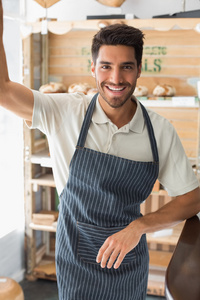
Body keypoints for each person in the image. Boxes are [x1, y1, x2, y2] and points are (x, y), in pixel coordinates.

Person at [0, 1, 200, 299]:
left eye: (126, 67)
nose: (116, 79)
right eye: (106, 66)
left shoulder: (159, 131)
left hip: (129, 263)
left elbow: (192, 198)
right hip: (75, 262)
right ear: (92, 68)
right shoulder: (64, 111)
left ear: (139, 70)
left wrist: (139, 227)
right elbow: (3, 90)